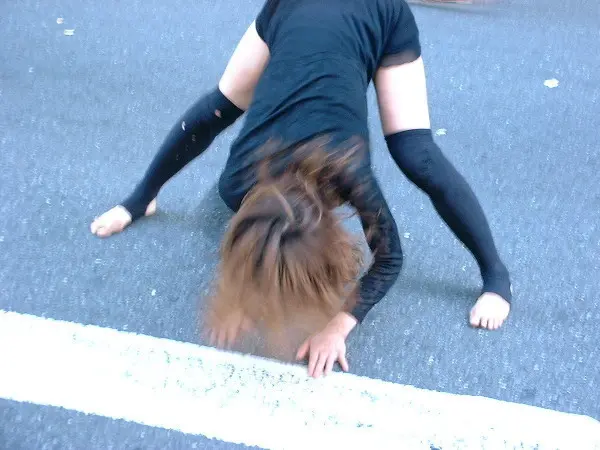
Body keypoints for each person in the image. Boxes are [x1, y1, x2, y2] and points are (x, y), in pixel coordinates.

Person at [90, 0, 512, 378]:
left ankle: (496, 275)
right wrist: (137, 201)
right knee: (220, 104)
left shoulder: (351, 173)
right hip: (294, 9)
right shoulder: (240, 177)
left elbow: (389, 258)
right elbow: (204, 123)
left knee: (415, 153)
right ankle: (143, 201)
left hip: (372, 11)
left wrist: (338, 325)